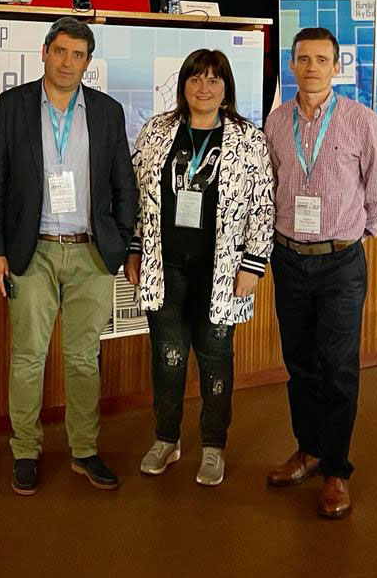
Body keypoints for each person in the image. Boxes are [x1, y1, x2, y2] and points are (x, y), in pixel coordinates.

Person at [0, 17, 137, 496]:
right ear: (45, 52)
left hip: (91, 253)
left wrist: (121, 243)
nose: (68, 62)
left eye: (78, 55)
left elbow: (123, 184)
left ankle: (84, 449)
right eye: (61, 51)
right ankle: (25, 451)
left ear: (88, 62)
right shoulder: (13, 105)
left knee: (84, 358)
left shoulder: (108, 111)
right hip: (34, 251)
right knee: (28, 357)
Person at [125, 49, 274, 487]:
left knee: (215, 358)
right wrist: (134, 249)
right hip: (165, 263)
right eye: (195, 78)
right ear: (183, 85)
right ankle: (166, 438)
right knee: (168, 357)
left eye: (213, 79)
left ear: (226, 88)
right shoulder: (157, 131)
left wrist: (253, 264)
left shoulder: (249, 139)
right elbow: (135, 195)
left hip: (222, 267)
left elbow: (264, 205)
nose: (203, 88)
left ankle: (213, 446)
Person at [264, 26, 377, 519]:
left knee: (338, 367)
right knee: (299, 363)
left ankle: (336, 469)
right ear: (291, 65)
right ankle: (309, 450)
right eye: (304, 59)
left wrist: (353, 235)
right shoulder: (276, 122)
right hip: (288, 259)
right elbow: (268, 187)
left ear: (337, 67)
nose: (312, 67)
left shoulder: (361, 121)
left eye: (322, 59)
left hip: (340, 261)